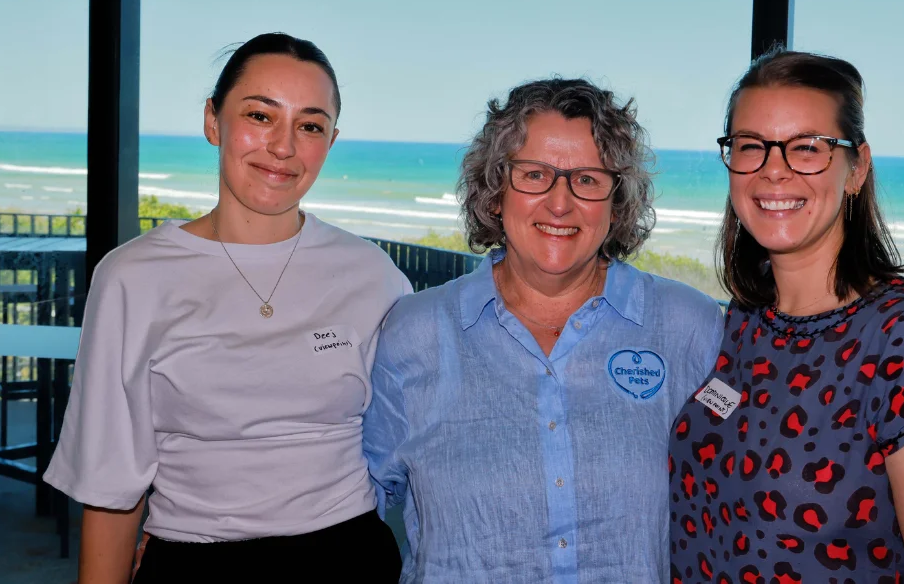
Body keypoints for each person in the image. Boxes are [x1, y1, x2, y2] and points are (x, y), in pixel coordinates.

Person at [44, 32, 409, 583]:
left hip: (348, 559)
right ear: (213, 121)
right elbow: (111, 484)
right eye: (260, 116)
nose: (283, 146)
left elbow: (416, 437)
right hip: (196, 561)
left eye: (310, 126)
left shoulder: (371, 273)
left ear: (330, 142)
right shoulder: (133, 277)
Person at [363, 78, 726, 582]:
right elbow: (358, 506)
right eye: (534, 174)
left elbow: (734, 498)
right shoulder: (415, 333)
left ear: (616, 202)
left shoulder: (690, 327)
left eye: (588, 179)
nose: (560, 203)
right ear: (495, 192)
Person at [668, 48, 904, 583]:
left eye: (807, 148)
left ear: (857, 168)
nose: (773, 171)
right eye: (750, 146)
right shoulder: (739, 325)